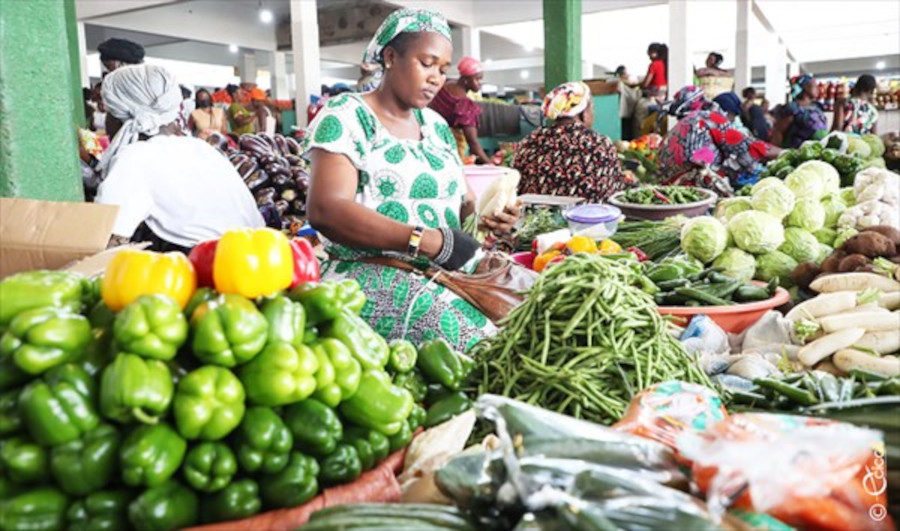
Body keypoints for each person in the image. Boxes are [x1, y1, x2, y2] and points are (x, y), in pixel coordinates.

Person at [304, 8, 520, 351]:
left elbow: (462, 204)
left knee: (533, 318)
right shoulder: (346, 116)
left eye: (443, 70)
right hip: (369, 274)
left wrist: (491, 218)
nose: (436, 78)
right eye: (427, 63)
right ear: (390, 57)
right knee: (485, 346)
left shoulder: (436, 127)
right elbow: (326, 210)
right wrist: (427, 241)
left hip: (443, 271)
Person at [94, 64, 264, 253]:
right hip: (260, 257)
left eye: (109, 112)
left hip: (206, 265)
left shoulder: (135, 158)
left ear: (120, 116)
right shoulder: (201, 148)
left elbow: (105, 242)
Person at [513, 82, 631, 202]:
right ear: (583, 114)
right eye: (592, 109)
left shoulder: (529, 142)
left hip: (536, 213)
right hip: (586, 214)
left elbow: (515, 188)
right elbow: (615, 194)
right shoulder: (599, 144)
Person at [657, 86, 780, 195]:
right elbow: (747, 145)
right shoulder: (706, 118)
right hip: (699, 191)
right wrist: (784, 152)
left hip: (670, 192)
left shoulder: (673, 130)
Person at [428, 56, 491, 164]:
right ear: (466, 80)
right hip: (448, 151)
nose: (480, 83)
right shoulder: (465, 105)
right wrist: (491, 165)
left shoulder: (445, 84)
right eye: (477, 79)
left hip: (429, 140)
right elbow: (473, 143)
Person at [771, 74, 828, 148]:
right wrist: (777, 151)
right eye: (815, 85)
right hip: (797, 152)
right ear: (805, 87)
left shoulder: (817, 107)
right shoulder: (793, 108)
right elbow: (778, 131)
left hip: (817, 150)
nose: (818, 88)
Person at [615, 65, 641, 141]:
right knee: (626, 128)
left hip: (632, 109)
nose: (627, 75)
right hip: (626, 110)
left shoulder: (632, 81)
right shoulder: (620, 83)